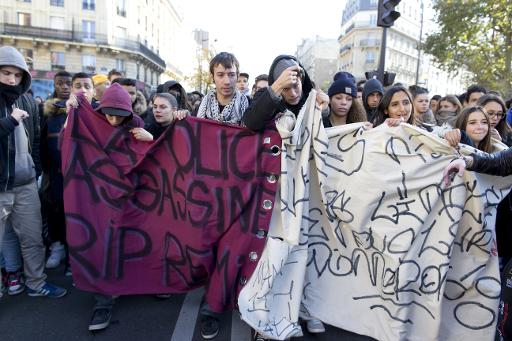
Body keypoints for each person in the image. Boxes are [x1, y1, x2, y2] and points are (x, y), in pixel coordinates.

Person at [0, 45, 67, 298]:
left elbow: (37, 139)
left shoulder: (27, 99)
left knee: (32, 239)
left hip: (26, 183)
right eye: (5, 73)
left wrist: (36, 169)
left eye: (17, 75)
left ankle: (37, 284)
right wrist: (10, 120)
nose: (11, 79)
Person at [243, 54, 328, 131]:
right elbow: (251, 123)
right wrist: (277, 86)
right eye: (285, 89)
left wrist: (322, 111)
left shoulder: (314, 97)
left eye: (295, 86)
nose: (293, 94)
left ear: (301, 80)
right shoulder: (265, 96)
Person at [197, 52, 249, 126]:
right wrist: (182, 116)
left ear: (237, 76)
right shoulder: (201, 106)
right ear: (212, 77)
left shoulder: (250, 107)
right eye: (220, 75)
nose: (227, 82)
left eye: (231, 75)